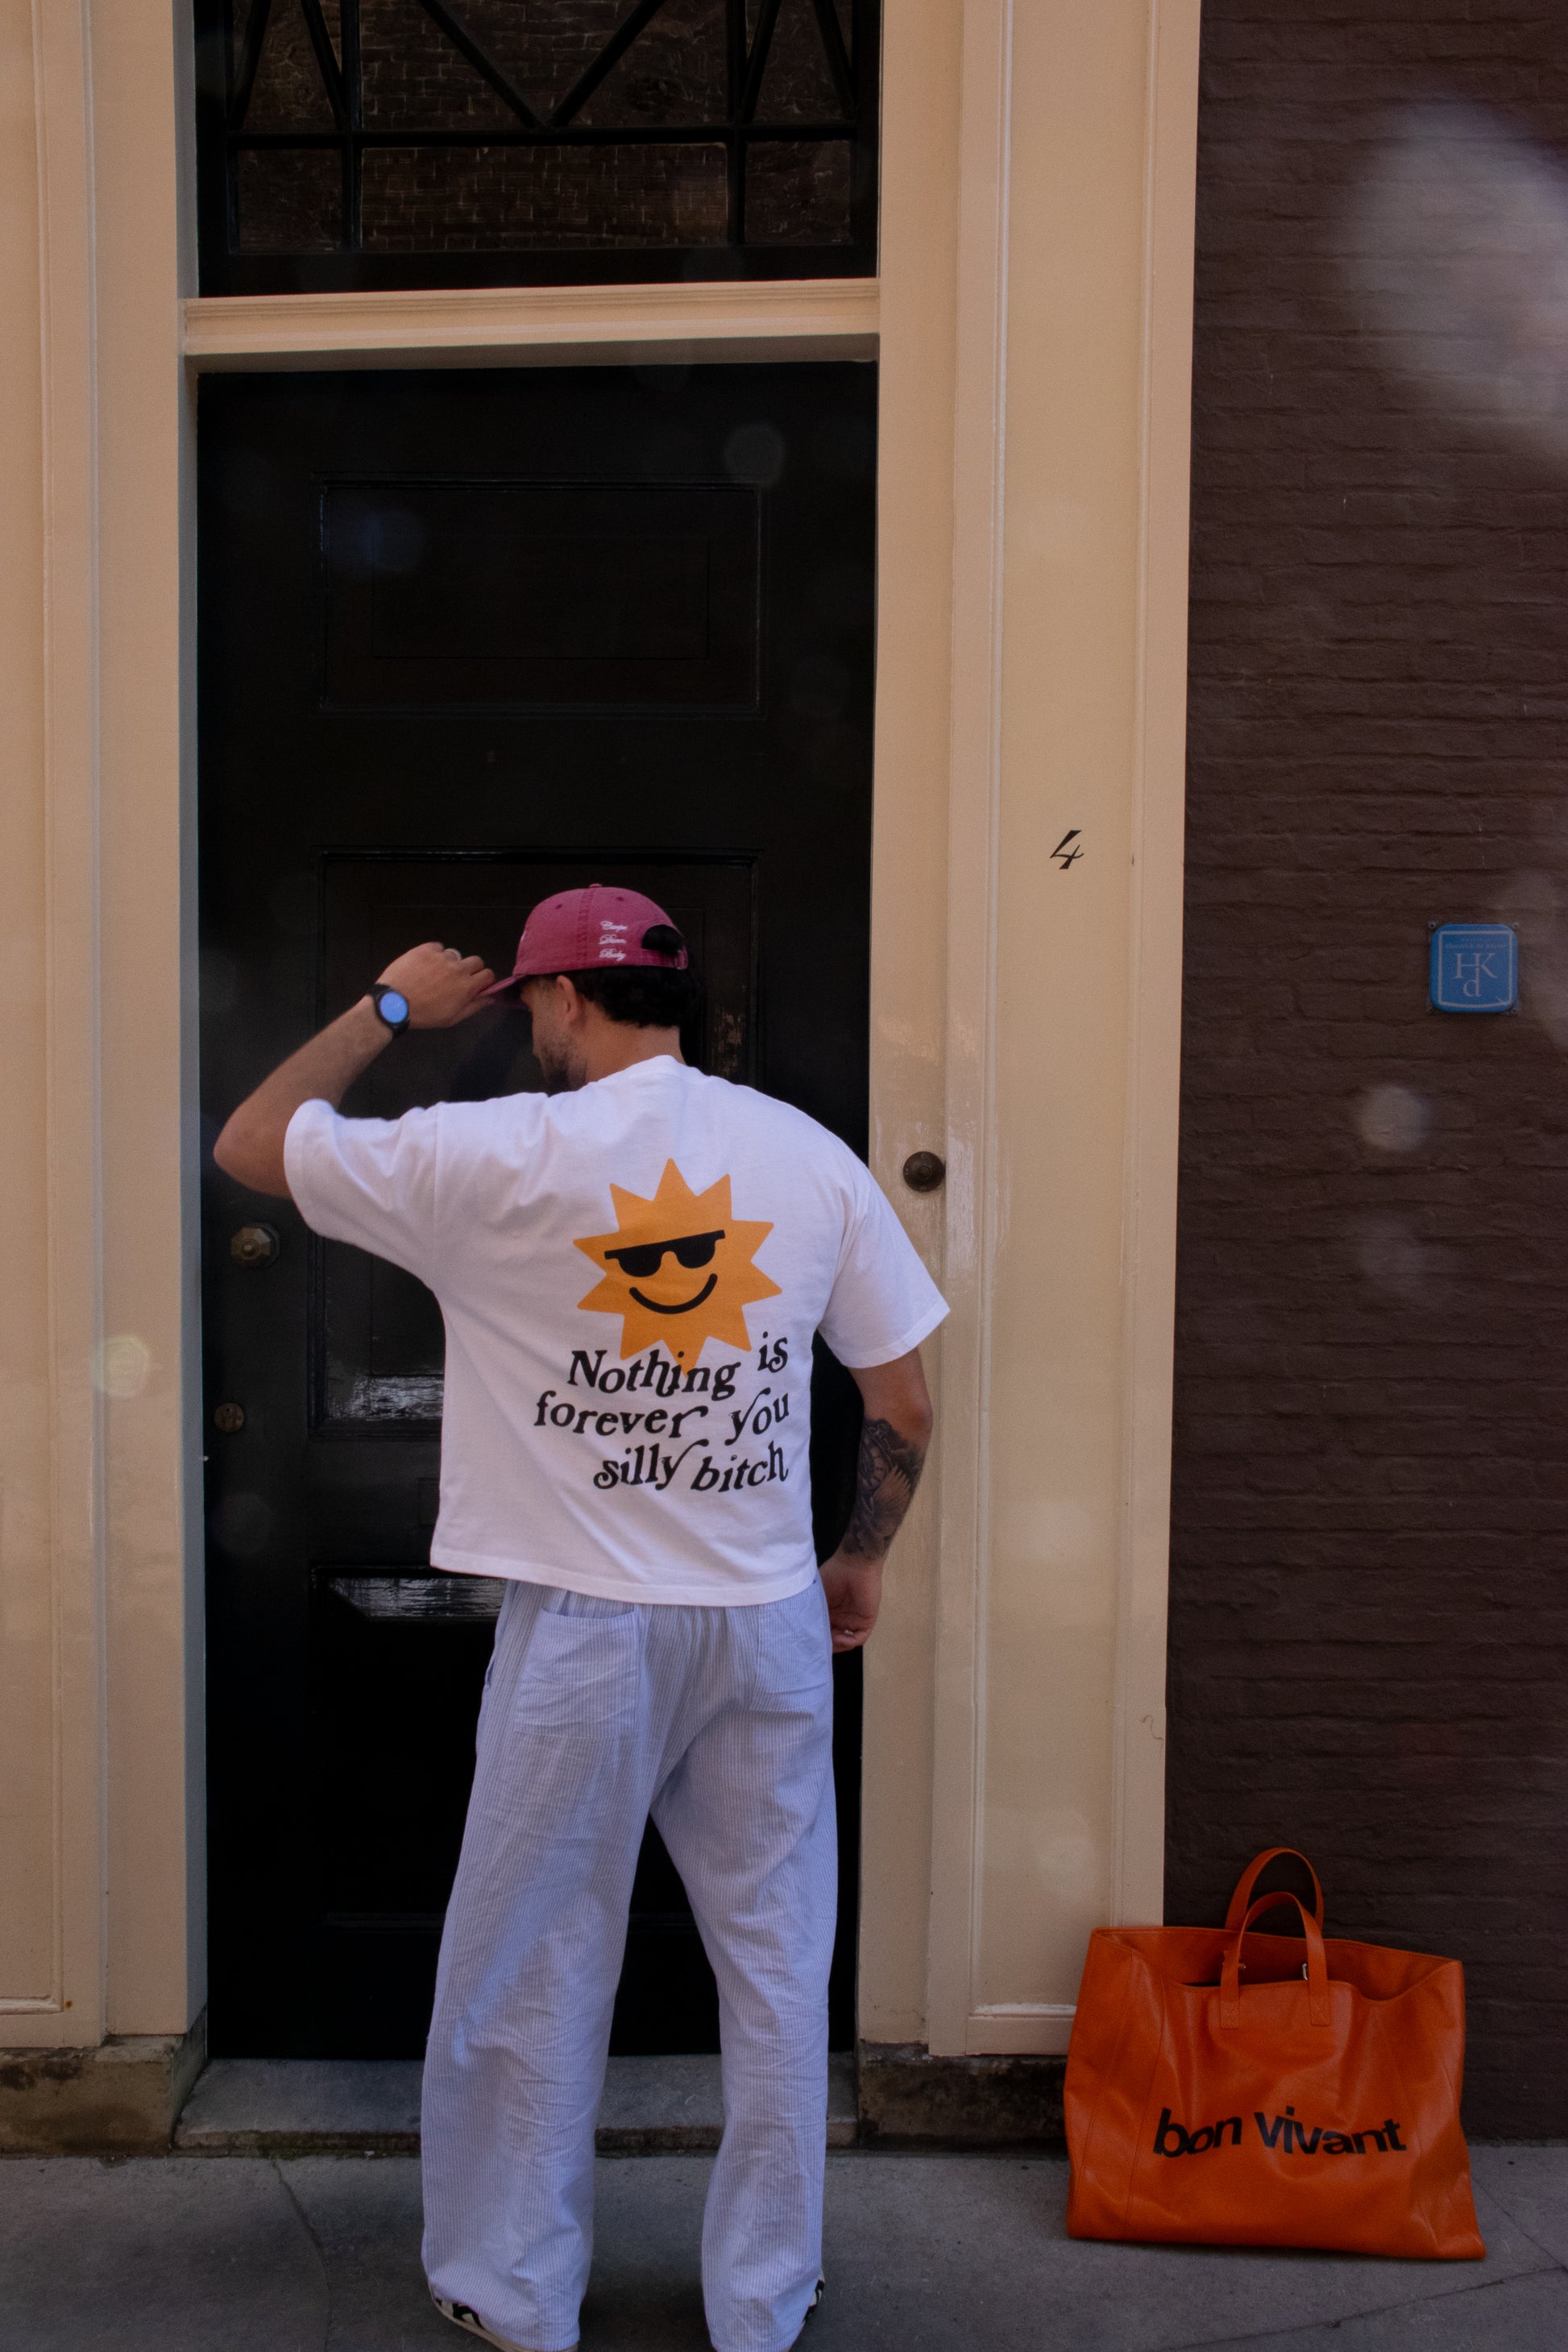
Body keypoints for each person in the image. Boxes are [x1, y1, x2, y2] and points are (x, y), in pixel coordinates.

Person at [214, 884, 945, 2352]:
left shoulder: (491, 1155)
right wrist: (859, 1557)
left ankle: (515, 2289)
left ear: (555, 999)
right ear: (674, 1000)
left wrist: (392, 1004)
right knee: (775, 1961)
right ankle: (763, 2297)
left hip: (587, 1632)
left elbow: (251, 1142)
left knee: (532, 1956)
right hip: (764, 1619)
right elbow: (902, 1401)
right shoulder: (807, 1157)